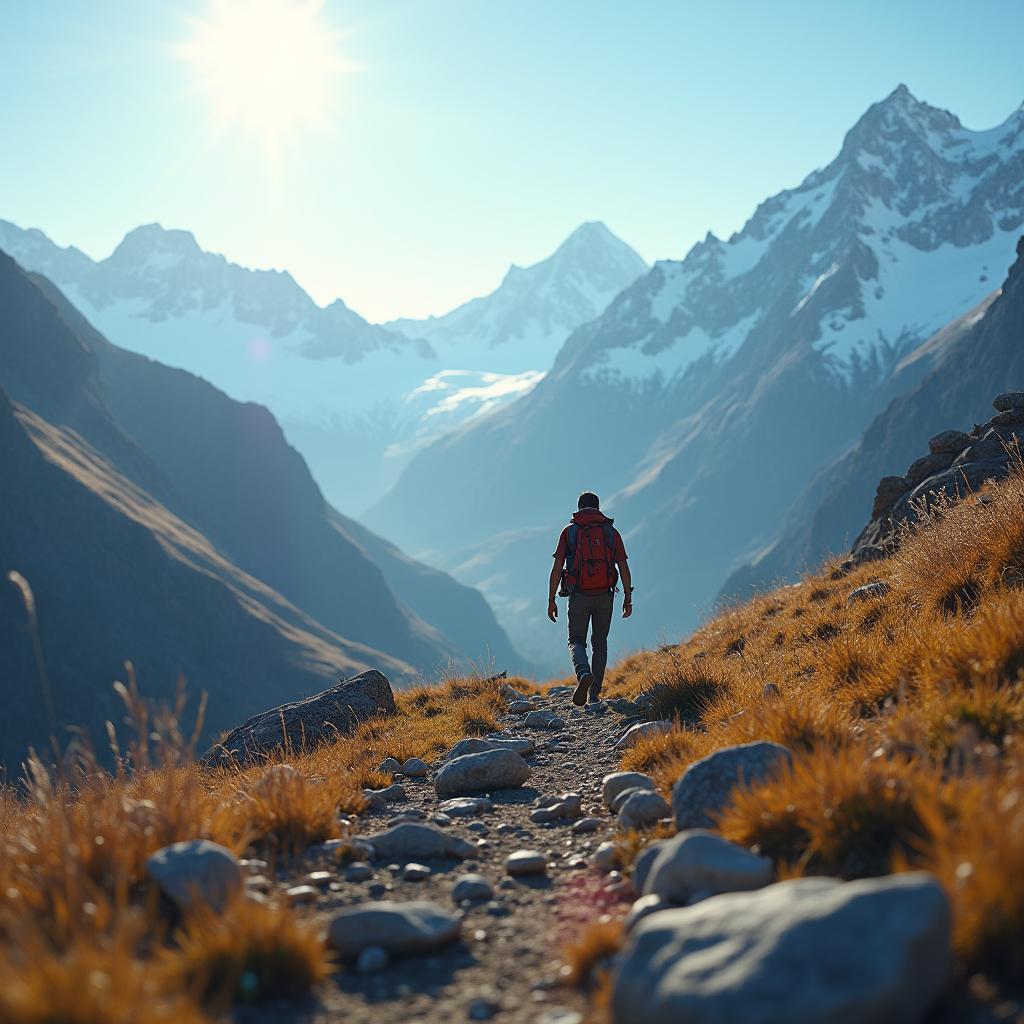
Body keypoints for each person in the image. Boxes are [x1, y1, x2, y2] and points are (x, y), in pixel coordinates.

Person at [547, 491, 632, 705]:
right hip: (605, 594)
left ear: (579, 507)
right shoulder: (611, 533)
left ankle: (583, 673)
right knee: (600, 643)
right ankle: (594, 694)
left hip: (579, 596)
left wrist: (551, 600)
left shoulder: (570, 532)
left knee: (576, 641)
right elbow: (623, 567)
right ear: (598, 507)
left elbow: (557, 568)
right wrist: (628, 596)